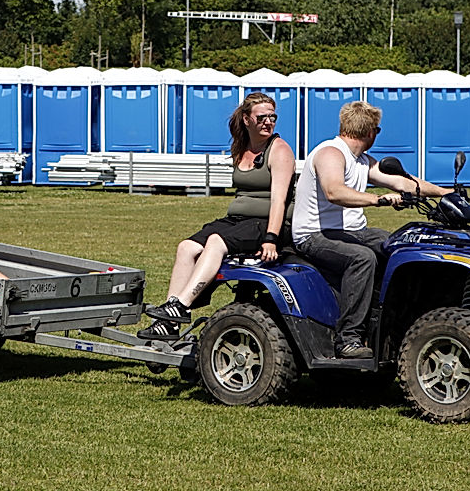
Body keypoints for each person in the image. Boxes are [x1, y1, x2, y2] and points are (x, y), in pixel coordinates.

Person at [291, 101, 452, 359]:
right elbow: (335, 192)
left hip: (351, 231)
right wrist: (378, 199)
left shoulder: (362, 160)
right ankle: (349, 338)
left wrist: (446, 193)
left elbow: (403, 181)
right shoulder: (330, 154)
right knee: (362, 259)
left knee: (401, 244)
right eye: (377, 130)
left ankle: (398, 319)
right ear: (370, 132)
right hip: (314, 235)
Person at [138, 92, 296, 341]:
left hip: (266, 224)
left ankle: (181, 306)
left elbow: (279, 200)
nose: (268, 121)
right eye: (262, 117)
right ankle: (169, 323)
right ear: (247, 119)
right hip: (238, 221)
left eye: (272, 117)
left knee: (215, 242)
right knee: (186, 247)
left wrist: (271, 238)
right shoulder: (241, 147)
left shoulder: (280, 150)